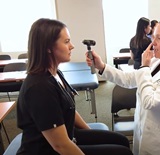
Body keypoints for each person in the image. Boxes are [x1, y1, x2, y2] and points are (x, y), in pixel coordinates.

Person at [16, 18, 133, 155]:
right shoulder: (39, 88)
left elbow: (69, 109)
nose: (72, 46)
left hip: (68, 135)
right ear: (48, 47)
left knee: (121, 141)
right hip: (47, 150)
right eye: (66, 42)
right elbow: (61, 146)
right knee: (122, 152)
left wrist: (92, 135)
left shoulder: (55, 73)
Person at [86, 18, 160, 155]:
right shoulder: (157, 61)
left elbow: (150, 102)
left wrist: (144, 67)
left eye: (159, 38)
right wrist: (101, 66)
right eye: (153, 36)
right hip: (142, 130)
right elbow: (128, 79)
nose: (153, 42)